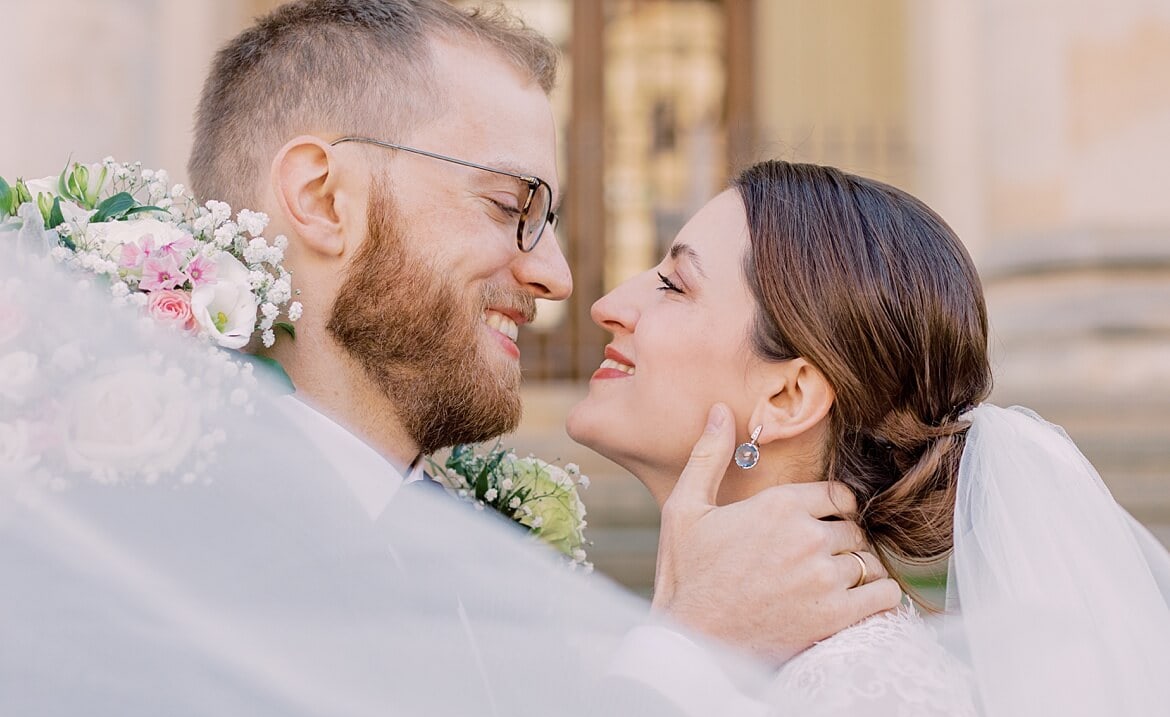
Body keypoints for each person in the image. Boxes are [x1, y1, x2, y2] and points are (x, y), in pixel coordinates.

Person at [184, 0, 897, 659]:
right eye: (508, 206)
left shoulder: (495, 561)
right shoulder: (153, 536)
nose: (559, 278)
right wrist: (692, 654)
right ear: (323, 200)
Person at [568, 159, 1170, 717]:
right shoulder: (744, 655)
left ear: (787, 398)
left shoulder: (861, 701)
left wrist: (676, 650)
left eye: (674, 284)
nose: (608, 305)